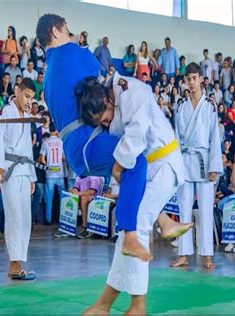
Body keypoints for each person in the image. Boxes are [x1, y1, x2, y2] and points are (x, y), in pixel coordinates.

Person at [37, 14, 150, 261]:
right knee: (136, 160)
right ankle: (129, 232)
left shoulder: (48, 73)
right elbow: (95, 70)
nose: (72, 34)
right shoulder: (70, 53)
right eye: (67, 30)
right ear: (56, 31)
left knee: (124, 168)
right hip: (87, 142)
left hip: (76, 148)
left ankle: (147, 223)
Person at [77, 73, 188, 315]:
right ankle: (104, 305)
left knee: (134, 229)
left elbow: (137, 133)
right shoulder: (108, 93)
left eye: (105, 121)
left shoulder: (132, 92)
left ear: (108, 102)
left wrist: (118, 163)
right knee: (127, 235)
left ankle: (134, 306)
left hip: (165, 164)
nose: (106, 126)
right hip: (147, 168)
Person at [171, 62, 223, 269]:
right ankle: (183, 254)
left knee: (205, 211)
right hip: (184, 160)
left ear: (201, 79)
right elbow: (175, 137)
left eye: (195, 78)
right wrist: (175, 165)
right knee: (183, 209)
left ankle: (207, 255)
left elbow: (214, 137)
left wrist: (214, 167)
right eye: (188, 79)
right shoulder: (181, 107)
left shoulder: (210, 105)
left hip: (204, 161)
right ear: (185, 81)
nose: (192, 82)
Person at [0, 78, 37, 280]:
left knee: (25, 217)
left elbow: (28, 147)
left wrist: (32, 176)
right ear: (17, 91)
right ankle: (14, 262)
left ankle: (18, 260)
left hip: (24, 170)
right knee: (15, 216)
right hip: (9, 170)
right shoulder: (5, 111)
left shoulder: (26, 116)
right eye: (27, 96)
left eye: (32, 98)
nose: (29, 101)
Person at [37, 123, 65, 225]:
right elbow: (63, 158)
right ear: (57, 130)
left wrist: (48, 165)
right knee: (63, 198)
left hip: (50, 173)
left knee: (49, 198)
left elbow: (41, 159)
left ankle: (48, 220)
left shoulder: (46, 142)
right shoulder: (61, 142)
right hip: (60, 173)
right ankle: (63, 219)